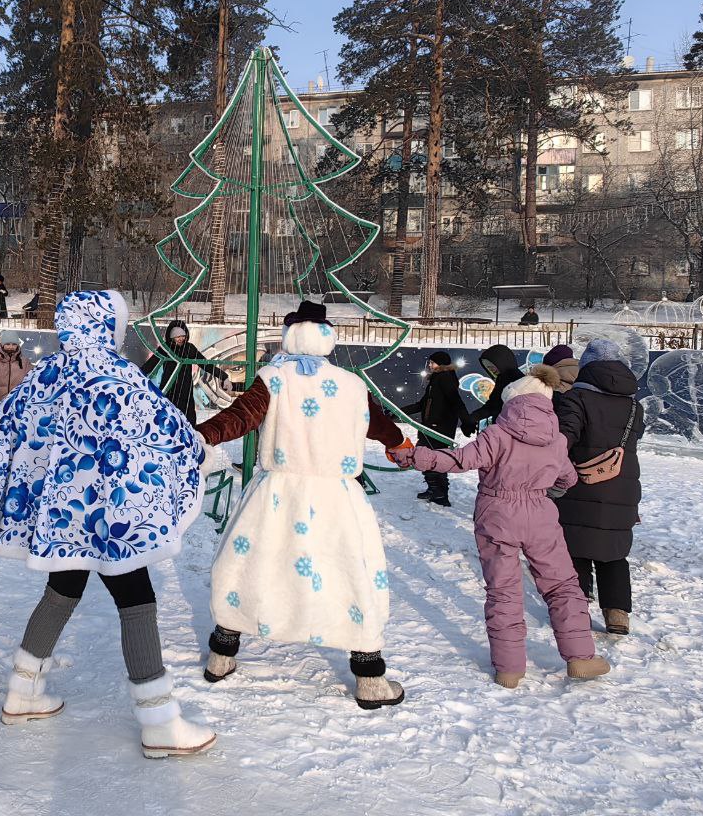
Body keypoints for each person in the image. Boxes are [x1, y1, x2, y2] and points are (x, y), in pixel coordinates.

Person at [0, 289, 215, 759]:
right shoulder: (119, 375)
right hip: (112, 518)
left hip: (61, 520)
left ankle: (23, 693)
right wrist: (199, 453)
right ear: (108, 326)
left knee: (62, 591)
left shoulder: (44, 373)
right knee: (137, 599)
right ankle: (159, 720)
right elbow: (169, 431)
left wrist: (4, 487)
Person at [198, 301, 406, 711]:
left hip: (278, 495)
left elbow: (240, 416)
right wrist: (398, 443)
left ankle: (222, 656)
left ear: (290, 336)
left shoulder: (274, 378)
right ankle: (370, 678)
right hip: (337, 498)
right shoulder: (351, 384)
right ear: (327, 338)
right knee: (349, 572)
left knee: (249, 565)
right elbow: (381, 426)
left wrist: (199, 435)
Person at [392, 365, 611, 688]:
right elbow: (568, 477)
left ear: (513, 402)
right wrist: (546, 485)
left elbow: (459, 461)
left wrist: (416, 457)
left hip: (497, 513)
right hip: (540, 514)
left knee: (503, 590)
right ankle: (580, 657)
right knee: (562, 584)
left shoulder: (497, 434)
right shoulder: (557, 439)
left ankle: (510, 669)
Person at [554, 338, 644, 636]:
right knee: (614, 552)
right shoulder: (634, 405)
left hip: (581, 485)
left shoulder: (575, 400)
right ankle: (617, 614)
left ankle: (576, 612)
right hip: (623, 488)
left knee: (575, 548)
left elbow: (564, 439)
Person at [401, 350, 473, 508]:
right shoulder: (436, 379)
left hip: (439, 428)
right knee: (426, 457)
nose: (429, 365)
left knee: (432, 458)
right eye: (429, 362)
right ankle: (434, 489)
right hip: (430, 426)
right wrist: (398, 412)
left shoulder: (444, 378)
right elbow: (422, 404)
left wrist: (466, 421)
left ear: (441, 364)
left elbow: (456, 402)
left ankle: (440, 493)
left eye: (432, 362)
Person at [140, 320, 229, 423]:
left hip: (185, 388)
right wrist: (136, 375)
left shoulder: (189, 348)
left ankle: (190, 435)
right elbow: (149, 365)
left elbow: (205, 364)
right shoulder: (165, 348)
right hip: (169, 387)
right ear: (171, 337)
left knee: (188, 417)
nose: (181, 339)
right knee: (168, 417)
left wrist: (223, 376)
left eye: (183, 336)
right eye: (177, 336)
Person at [467, 344, 524, 427]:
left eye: (493, 367)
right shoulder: (522, 378)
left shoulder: (505, 379)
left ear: (501, 363)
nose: (492, 371)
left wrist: (472, 418)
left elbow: (493, 405)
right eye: (489, 368)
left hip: (506, 427)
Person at [0, 336, 30, 409]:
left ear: (17, 345)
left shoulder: (25, 363)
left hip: (18, 407)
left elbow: (35, 377)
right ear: (2, 345)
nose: (11, 347)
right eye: (7, 344)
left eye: (14, 344)